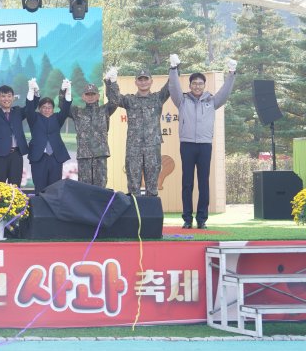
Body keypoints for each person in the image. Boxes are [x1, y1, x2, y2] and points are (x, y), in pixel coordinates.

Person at [169, 54, 237, 229]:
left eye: (200, 83)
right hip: (187, 145)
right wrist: (173, 68)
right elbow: (174, 87)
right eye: (194, 83)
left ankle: (202, 219)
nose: (197, 86)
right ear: (190, 85)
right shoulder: (182, 100)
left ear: (204, 85)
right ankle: (187, 219)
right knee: (187, 183)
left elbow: (225, 93)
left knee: (203, 183)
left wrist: (231, 73)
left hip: (205, 145)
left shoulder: (211, 101)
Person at [105, 66, 170, 196]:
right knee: (133, 186)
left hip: (152, 148)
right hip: (134, 148)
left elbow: (170, 87)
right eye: (140, 79)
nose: (143, 82)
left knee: (152, 186)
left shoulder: (158, 98)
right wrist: (111, 82)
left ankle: (150, 209)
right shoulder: (130, 100)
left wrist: (174, 68)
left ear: (151, 81)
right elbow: (114, 99)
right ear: (136, 82)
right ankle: (135, 209)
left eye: (146, 79)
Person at [26, 78, 72, 193]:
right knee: (39, 187)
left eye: (49, 107)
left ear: (53, 109)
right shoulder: (34, 118)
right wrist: (31, 91)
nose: (47, 109)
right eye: (44, 107)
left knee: (55, 188)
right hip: (38, 157)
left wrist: (67, 92)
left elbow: (66, 109)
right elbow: (29, 108)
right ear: (40, 108)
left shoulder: (57, 118)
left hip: (55, 157)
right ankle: (40, 205)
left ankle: (53, 205)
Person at [69, 82, 118, 188]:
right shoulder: (77, 111)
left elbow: (115, 101)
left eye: (93, 94)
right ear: (83, 96)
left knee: (101, 186)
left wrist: (111, 84)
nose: (90, 97)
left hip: (100, 154)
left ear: (98, 96)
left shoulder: (104, 110)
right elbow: (64, 106)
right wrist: (65, 91)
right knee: (84, 187)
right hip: (84, 156)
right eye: (87, 94)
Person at [0, 80, 30, 186]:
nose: (6, 99)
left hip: (16, 155)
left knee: (15, 186)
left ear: (13, 98)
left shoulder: (18, 112)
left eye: (9, 96)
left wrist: (33, 92)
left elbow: (30, 107)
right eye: (3, 96)